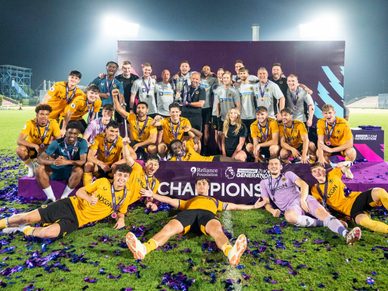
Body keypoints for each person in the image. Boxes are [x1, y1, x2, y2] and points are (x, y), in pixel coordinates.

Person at [125, 178, 263, 266]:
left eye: (203, 183)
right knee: (168, 228)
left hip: (207, 215)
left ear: (208, 187)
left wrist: (253, 206)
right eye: (199, 184)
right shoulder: (189, 201)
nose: (201, 186)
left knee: (217, 231)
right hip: (189, 214)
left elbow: (235, 206)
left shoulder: (216, 201)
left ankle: (231, 252)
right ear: (196, 188)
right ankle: (144, 249)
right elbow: (169, 200)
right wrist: (152, 195)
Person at [0, 164, 134, 239]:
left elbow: (121, 211)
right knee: (28, 217)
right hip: (69, 205)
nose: (122, 178)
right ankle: (6, 223)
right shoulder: (103, 182)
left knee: (48, 233)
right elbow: (80, 191)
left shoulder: (125, 195)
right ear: (115, 175)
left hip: (76, 221)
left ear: (128, 178)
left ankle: (22, 229)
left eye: (125, 176)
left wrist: (121, 219)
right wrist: (88, 198)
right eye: (120, 174)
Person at [257, 157, 362, 245]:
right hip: (291, 207)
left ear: (280, 167)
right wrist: (272, 211)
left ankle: (346, 234)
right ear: (268, 167)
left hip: (302, 198)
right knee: (289, 217)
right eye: (271, 164)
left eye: (276, 164)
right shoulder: (264, 183)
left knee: (323, 213)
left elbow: (304, 184)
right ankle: (324, 223)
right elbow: (266, 202)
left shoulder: (288, 174)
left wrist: (302, 199)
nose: (273, 166)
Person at [310, 162, 388, 233]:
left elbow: (348, 165)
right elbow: (319, 207)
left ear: (324, 170)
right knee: (364, 222)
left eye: (319, 169)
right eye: (314, 171)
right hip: (351, 211)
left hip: (358, 198)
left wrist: (344, 164)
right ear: (312, 175)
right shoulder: (315, 190)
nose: (318, 172)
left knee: (379, 191)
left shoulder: (332, 174)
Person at [35, 122, 88, 203]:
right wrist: (53, 162)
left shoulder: (82, 142)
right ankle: (51, 198)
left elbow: (82, 161)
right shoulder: (57, 143)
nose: (72, 136)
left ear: (78, 134)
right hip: (56, 169)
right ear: (66, 132)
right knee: (39, 169)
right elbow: (40, 159)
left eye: (75, 133)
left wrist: (66, 162)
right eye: (70, 133)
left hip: (71, 171)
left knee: (79, 170)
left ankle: (64, 197)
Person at [16, 104, 61, 177]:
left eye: (46, 114)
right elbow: (19, 140)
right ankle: (30, 167)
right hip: (32, 149)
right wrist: (35, 146)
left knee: (48, 171)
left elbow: (59, 139)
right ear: (37, 115)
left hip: (46, 148)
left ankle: (42, 164)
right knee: (20, 150)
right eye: (41, 114)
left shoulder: (53, 123)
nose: (44, 116)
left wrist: (51, 147)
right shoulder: (30, 123)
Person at [83, 120, 131, 186]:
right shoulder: (98, 138)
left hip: (113, 168)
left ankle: (112, 188)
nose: (114, 134)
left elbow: (133, 156)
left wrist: (117, 163)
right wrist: (101, 164)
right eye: (111, 131)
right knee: (88, 165)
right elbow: (90, 156)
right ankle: (88, 189)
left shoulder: (121, 141)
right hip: (100, 166)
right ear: (106, 130)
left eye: (116, 131)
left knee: (117, 167)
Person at [113, 91, 157, 159]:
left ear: (147, 110)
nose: (140, 110)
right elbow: (119, 109)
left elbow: (152, 140)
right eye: (138, 108)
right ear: (136, 110)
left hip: (145, 143)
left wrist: (139, 145)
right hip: (133, 143)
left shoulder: (151, 121)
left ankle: (152, 162)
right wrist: (115, 97)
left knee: (152, 148)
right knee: (124, 147)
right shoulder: (132, 117)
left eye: (143, 108)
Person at [316, 104, 356, 177]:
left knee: (352, 152)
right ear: (323, 114)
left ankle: (346, 168)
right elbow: (320, 141)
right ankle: (331, 169)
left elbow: (350, 144)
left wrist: (332, 150)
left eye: (330, 113)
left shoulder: (343, 123)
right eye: (325, 113)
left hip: (342, 146)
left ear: (334, 112)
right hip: (329, 146)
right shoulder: (320, 122)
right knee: (319, 153)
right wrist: (320, 157)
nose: (328, 115)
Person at [213, 71, 241, 136]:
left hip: (232, 118)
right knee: (221, 136)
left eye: (227, 78)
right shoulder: (218, 90)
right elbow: (218, 105)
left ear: (231, 79)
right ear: (222, 79)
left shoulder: (235, 91)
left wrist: (235, 116)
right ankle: (221, 147)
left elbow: (238, 106)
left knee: (231, 136)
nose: (225, 79)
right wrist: (218, 116)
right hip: (222, 118)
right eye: (224, 78)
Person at [169, 139, 238, 162]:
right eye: (175, 148)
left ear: (182, 145)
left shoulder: (188, 147)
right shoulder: (174, 160)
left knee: (228, 160)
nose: (178, 149)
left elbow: (198, 135)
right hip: (199, 171)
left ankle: (246, 166)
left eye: (179, 146)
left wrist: (193, 137)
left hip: (209, 161)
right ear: (172, 151)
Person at [235, 67, 256, 141]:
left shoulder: (253, 86)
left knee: (253, 136)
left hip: (253, 115)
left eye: (244, 73)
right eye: (241, 73)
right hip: (242, 116)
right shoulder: (238, 87)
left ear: (248, 74)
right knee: (244, 137)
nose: (242, 75)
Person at [200, 65, 217, 152]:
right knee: (199, 129)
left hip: (207, 108)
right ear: (202, 71)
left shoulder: (213, 79)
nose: (206, 70)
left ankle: (205, 149)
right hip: (198, 108)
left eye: (208, 69)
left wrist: (215, 75)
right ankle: (199, 148)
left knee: (206, 130)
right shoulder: (198, 78)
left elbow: (220, 82)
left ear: (210, 71)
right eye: (204, 69)